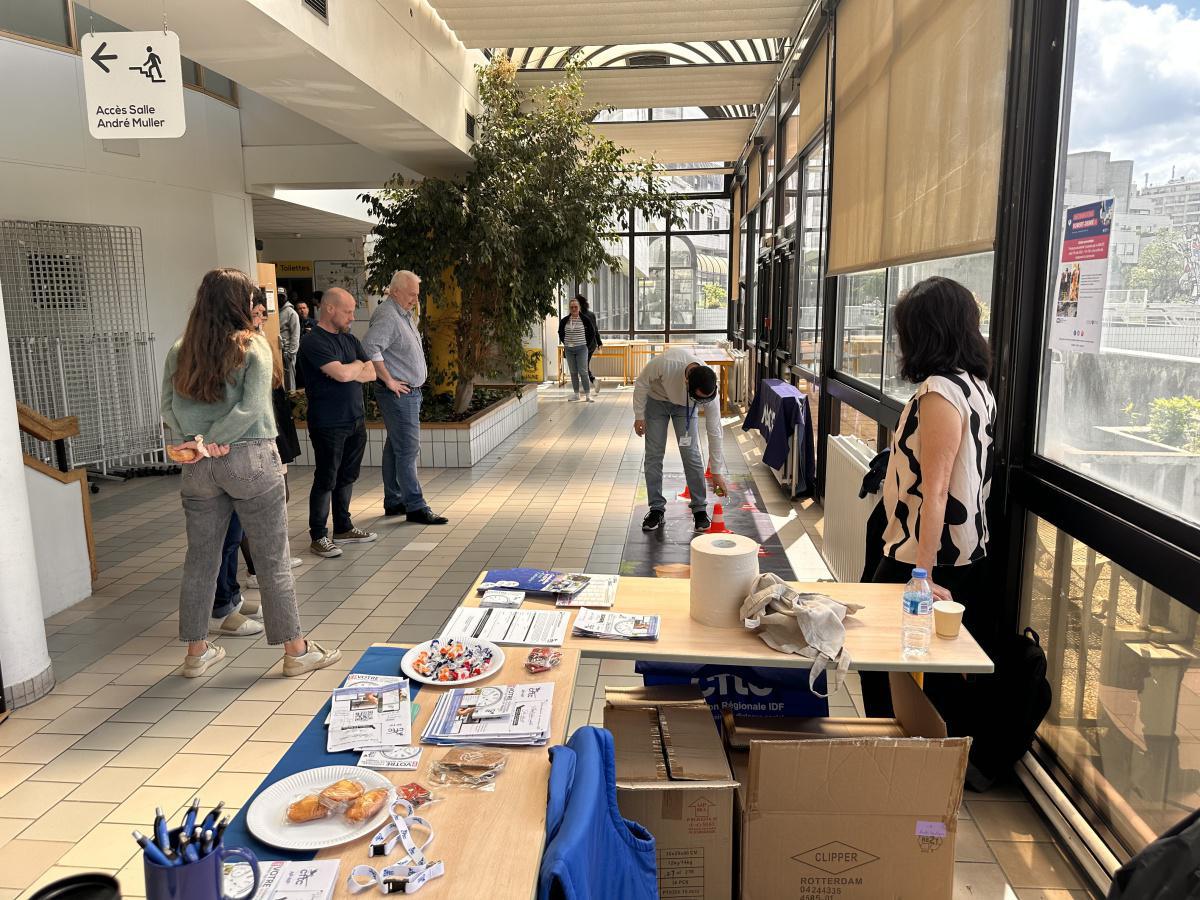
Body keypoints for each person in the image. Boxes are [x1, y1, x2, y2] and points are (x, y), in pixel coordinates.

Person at [160, 267, 341, 678]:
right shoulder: (253, 346)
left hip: (198, 467)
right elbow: (253, 409)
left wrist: (198, 441)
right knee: (272, 558)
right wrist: (215, 439)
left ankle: (196, 652)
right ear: (241, 304)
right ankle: (296, 650)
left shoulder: (180, 348)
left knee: (200, 560)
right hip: (250, 459)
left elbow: (167, 406)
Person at [861, 276, 996, 717]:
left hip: (925, 556)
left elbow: (936, 489)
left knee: (876, 654)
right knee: (928, 664)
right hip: (958, 550)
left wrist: (922, 574)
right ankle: (921, 754)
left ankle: (891, 753)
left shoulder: (940, 391)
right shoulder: (975, 386)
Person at [298, 288, 379, 558]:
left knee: (347, 475)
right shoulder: (313, 342)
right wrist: (355, 367)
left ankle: (343, 527)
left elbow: (371, 372)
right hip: (328, 423)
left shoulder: (350, 339)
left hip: (355, 419)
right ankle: (318, 535)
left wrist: (351, 368)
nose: (352, 317)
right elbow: (344, 375)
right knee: (326, 478)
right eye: (347, 311)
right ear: (329, 309)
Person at [364, 270, 449, 525]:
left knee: (396, 447)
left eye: (417, 294)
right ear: (396, 291)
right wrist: (389, 380)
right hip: (399, 394)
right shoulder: (389, 314)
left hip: (409, 393)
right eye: (412, 294)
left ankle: (394, 500)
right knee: (408, 450)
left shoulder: (402, 313)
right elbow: (370, 346)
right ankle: (415, 506)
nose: (415, 299)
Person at [633, 347, 729, 533]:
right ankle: (656, 509)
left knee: (691, 454)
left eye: (705, 400)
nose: (704, 403)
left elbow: (714, 430)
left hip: (686, 409)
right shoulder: (666, 363)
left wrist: (716, 471)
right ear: (686, 382)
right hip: (656, 401)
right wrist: (639, 415)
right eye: (698, 399)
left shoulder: (708, 390)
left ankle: (700, 509)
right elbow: (642, 383)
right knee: (654, 454)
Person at [558, 297, 598, 402]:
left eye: (576, 307)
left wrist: (586, 345)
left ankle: (588, 395)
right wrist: (565, 342)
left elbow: (592, 332)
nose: (574, 309)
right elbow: (560, 332)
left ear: (579, 307)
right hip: (569, 349)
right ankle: (576, 394)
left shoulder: (585, 319)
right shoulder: (565, 320)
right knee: (573, 372)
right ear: (569, 309)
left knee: (583, 371)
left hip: (582, 349)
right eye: (572, 307)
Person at [575, 294, 602, 393]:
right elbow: (595, 330)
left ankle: (592, 381)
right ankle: (589, 383)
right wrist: (599, 343)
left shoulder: (579, 316)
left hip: (583, 345)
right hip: (592, 345)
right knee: (583, 365)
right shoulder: (591, 314)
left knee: (582, 365)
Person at [278, 288, 301, 391]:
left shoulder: (291, 312)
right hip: (279, 351)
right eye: (278, 296)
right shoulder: (275, 311)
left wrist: (291, 353)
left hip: (288, 353)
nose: (280, 298)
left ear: (286, 297)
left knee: (289, 382)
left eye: (282, 296)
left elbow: (295, 335)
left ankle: (291, 405)